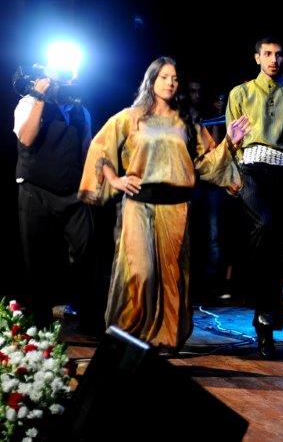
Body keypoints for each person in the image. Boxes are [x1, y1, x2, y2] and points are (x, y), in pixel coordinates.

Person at [78, 57, 247, 351]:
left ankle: (165, 339)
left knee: (171, 276)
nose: (170, 82)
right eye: (164, 77)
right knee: (140, 272)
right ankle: (129, 337)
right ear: (151, 80)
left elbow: (205, 163)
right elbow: (100, 148)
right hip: (139, 205)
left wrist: (230, 143)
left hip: (176, 208)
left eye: (175, 78)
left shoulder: (187, 122)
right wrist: (116, 180)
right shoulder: (131, 118)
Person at [226, 36, 283, 358]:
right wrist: (235, 173)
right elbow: (233, 141)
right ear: (257, 57)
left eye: (279, 54)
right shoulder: (241, 93)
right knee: (265, 225)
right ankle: (269, 304)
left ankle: (264, 322)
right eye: (268, 54)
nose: (274, 59)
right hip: (252, 170)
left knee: (277, 245)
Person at [14, 76, 97, 332]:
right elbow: (26, 139)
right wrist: (40, 97)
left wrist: (92, 185)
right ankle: (41, 325)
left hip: (72, 192)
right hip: (36, 190)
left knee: (86, 252)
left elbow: (86, 150)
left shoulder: (82, 111)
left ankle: (87, 319)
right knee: (37, 259)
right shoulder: (28, 103)